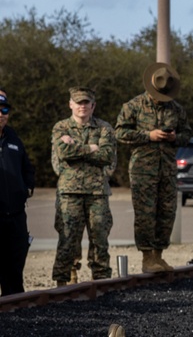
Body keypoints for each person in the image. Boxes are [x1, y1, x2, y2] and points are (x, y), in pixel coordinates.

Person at [115, 62, 192, 273]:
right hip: (143, 169)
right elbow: (120, 133)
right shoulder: (133, 106)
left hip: (167, 168)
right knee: (145, 214)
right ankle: (147, 257)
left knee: (167, 212)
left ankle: (159, 255)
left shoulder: (176, 109)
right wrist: (148, 136)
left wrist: (175, 137)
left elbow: (187, 135)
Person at [51, 87, 117, 287]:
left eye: (86, 103)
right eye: (78, 103)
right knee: (68, 237)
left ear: (93, 105)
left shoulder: (105, 129)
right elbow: (62, 152)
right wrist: (90, 148)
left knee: (100, 237)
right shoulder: (61, 127)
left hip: (97, 192)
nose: (82, 106)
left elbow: (107, 155)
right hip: (69, 192)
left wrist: (75, 148)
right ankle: (63, 282)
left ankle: (101, 280)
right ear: (70, 104)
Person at [0, 92, 35, 296]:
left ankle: (15, 310)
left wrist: (27, 188)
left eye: (5, 110)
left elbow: (28, 169)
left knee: (14, 265)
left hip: (15, 216)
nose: (1, 114)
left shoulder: (14, 139)